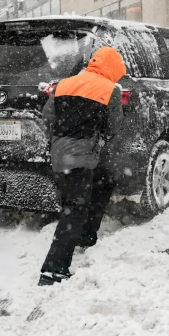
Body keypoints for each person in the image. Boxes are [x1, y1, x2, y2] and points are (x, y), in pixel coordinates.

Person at [38, 46, 126, 286]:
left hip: (59, 153)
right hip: (82, 155)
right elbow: (113, 126)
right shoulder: (110, 90)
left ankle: (86, 235)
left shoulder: (65, 84)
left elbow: (48, 115)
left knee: (104, 181)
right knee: (74, 208)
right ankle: (53, 270)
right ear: (112, 68)